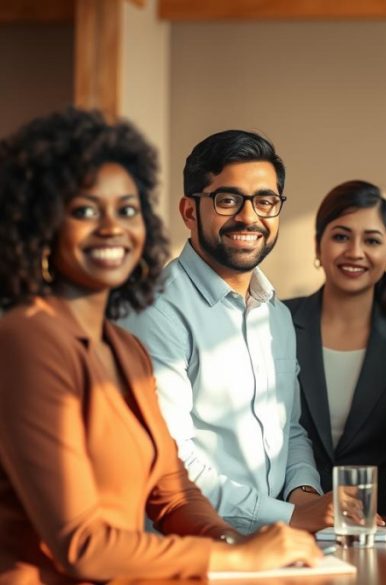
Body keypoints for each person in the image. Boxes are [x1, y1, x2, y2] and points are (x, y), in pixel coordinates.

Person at [0, 109, 321, 582]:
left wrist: (244, 547)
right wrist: (239, 557)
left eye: (127, 209)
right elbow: (81, 545)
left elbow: (172, 492)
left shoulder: (121, 347)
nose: (112, 227)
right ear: (41, 224)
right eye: (85, 210)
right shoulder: (27, 340)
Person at [119, 130, 331, 534]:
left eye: (265, 201)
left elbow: (289, 429)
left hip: (274, 544)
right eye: (228, 200)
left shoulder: (276, 313)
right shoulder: (157, 310)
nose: (249, 217)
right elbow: (169, 462)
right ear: (189, 211)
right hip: (193, 549)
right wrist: (289, 517)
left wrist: (304, 496)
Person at [285, 180, 386, 516]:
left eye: (372, 240)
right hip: (286, 515)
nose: (355, 252)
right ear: (318, 246)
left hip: (383, 521)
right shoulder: (275, 322)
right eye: (341, 236)